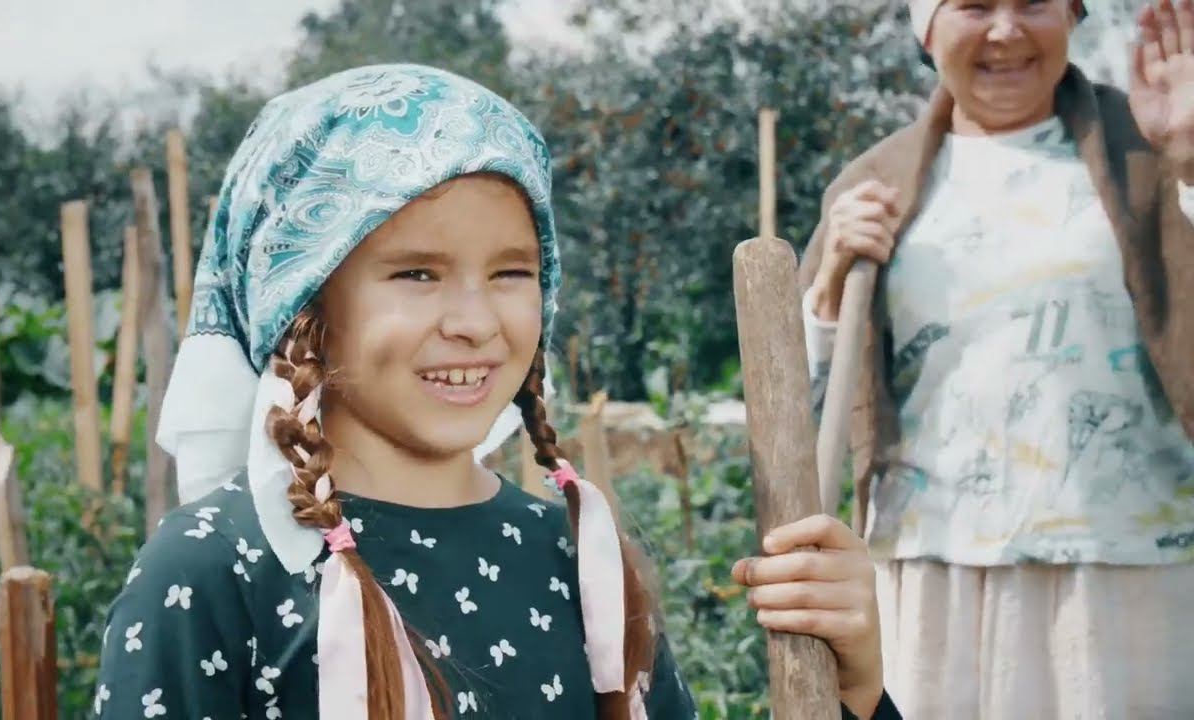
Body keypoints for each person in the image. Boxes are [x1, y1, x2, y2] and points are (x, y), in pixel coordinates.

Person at [92, 64, 899, 719]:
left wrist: (855, 689)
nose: (475, 322)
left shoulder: (575, 557)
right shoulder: (217, 568)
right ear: (302, 304)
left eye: (511, 272)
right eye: (418, 273)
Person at [799, 0, 1194, 717]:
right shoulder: (876, 183)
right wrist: (829, 286)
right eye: (975, 5)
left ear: (1073, 16)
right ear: (927, 29)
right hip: (933, 569)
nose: (1006, 30)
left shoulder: (1149, 152)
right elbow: (804, 408)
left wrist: (1191, 164)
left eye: (1034, 3)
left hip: (1126, 568)